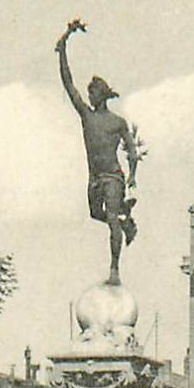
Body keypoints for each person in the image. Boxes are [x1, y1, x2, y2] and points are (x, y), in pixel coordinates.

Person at [55, 18, 141, 285]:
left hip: (113, 177)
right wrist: (64, 47)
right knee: (96, 214)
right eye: (89, 94)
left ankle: (114, 269)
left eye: (93, 94)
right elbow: (68, 84)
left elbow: (131, 149)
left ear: (101, 96)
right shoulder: (87, 116)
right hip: (95, 179)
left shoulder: (117, 122)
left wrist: (132, 175)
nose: (89, 97)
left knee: (111, 217)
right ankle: (126, 223)